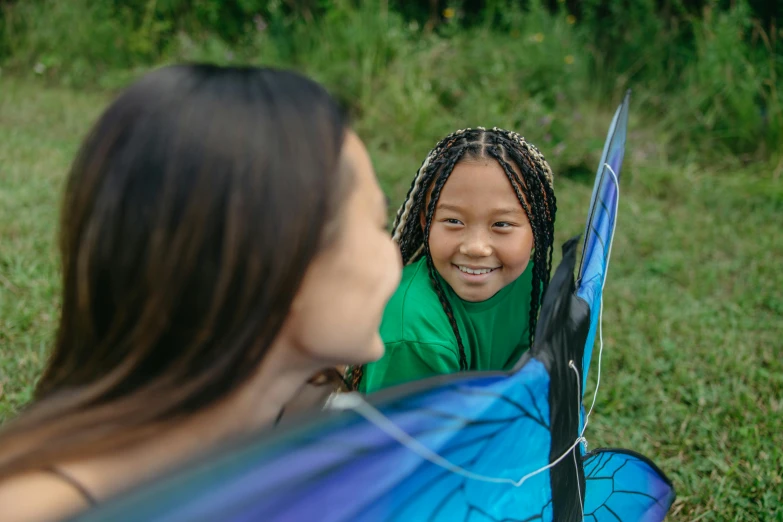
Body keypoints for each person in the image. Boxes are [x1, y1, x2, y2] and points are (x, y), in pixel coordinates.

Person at [0, 64, 401, 521]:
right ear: (286, 265)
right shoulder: (42, 508)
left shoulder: (284, 442)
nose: (393, 257)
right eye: (376, 225)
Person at [353, 127, 557, 393]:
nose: (476, 248)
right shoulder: (412, 333)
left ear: (537, 227)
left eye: (502, 224)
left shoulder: (531, 284)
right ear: (427, 221)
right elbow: (408, 434)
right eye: (453, 221)